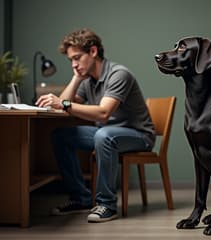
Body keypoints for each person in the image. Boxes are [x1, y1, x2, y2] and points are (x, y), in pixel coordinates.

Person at [36, 28, 155, 223]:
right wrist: (76, 77)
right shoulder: (87, 79)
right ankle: (81, 199)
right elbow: (63, 106)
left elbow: (103, 113)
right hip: (106, 133)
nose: (74, 64)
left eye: (77, 58)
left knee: (104, 136)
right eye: (70, 60)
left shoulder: (119, 74)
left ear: (93, 52)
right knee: (61, 136)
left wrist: (64, 104)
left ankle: (107, 204)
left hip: (139, 136)